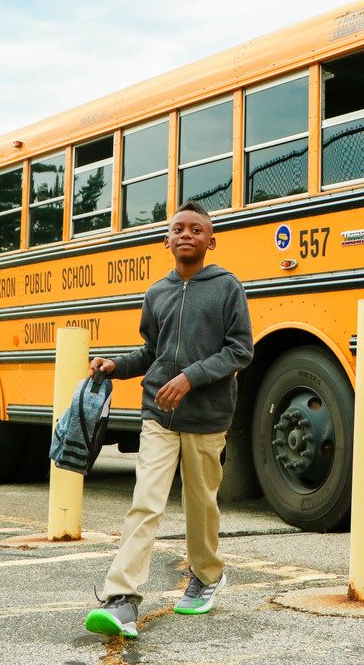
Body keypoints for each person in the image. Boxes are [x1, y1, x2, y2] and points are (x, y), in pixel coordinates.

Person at [83, 201, 253, 639]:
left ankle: (208, 575)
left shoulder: (227, 288)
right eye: (178, 228)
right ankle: (122, 598)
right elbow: (150, 352)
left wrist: (190, 378)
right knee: (146, 502)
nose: (186, 235)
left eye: (196, 230)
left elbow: (240, 351)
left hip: (207, 417)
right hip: (159, 415)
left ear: (210, 241)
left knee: (201, 507)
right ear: (166, 240)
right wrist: (114, 366)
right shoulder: (157, 292)